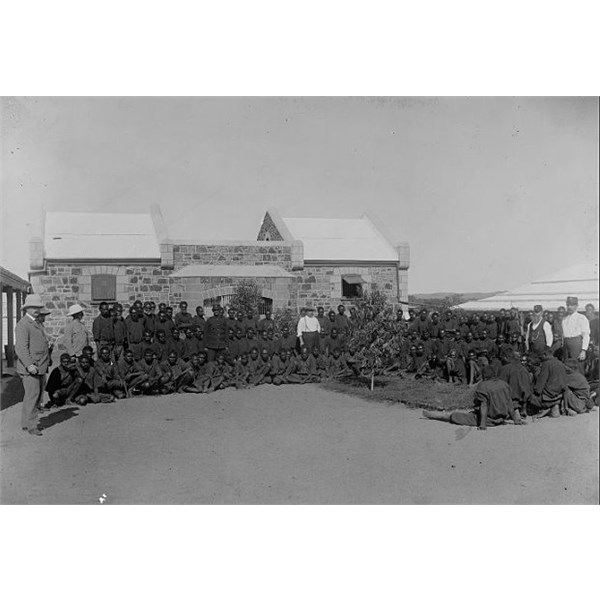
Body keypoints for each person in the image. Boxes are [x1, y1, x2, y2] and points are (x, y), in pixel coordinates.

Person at [423, 366, 523, 429]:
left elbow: (483, 405)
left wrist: (482, 424)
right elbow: (510, 403)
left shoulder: (483, 386)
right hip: (501, 418)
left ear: (484, 375)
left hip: (489, 420)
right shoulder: (504, 384)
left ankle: (434, 415)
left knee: (457, 416)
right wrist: (515, 420)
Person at [15, 294, 52, 435]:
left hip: (40, 365)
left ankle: (26, 422)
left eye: (38, 306)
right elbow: (21, 348)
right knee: (33, 395)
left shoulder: (36, 322)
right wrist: (29, 364)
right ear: (26, 308)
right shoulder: (23, 324)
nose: (37, 309)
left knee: (34, 395)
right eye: (34, 307)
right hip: (31, 367)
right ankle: (32, 426)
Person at [530, 349, 567, 419]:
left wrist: (536, 392)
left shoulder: (546, 364)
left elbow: (541, 382)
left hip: (549, 395)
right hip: (559, 394)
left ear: (545, 355)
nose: (541, 359)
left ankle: (547, 407)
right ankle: (555, 405)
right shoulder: (560, 363)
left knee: (531, 397)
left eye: (541, 357)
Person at [560, 296, 590, 372]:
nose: (569, 307)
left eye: (572, 305)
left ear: (576, 306)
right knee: (567, 366)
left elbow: (586, 335)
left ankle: (580, 383)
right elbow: (564, 335)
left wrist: (583, 350)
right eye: (568, 305)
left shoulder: (581, 318)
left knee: (577, 367)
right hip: (566, 345)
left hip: (576, 344)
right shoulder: (564, 319)